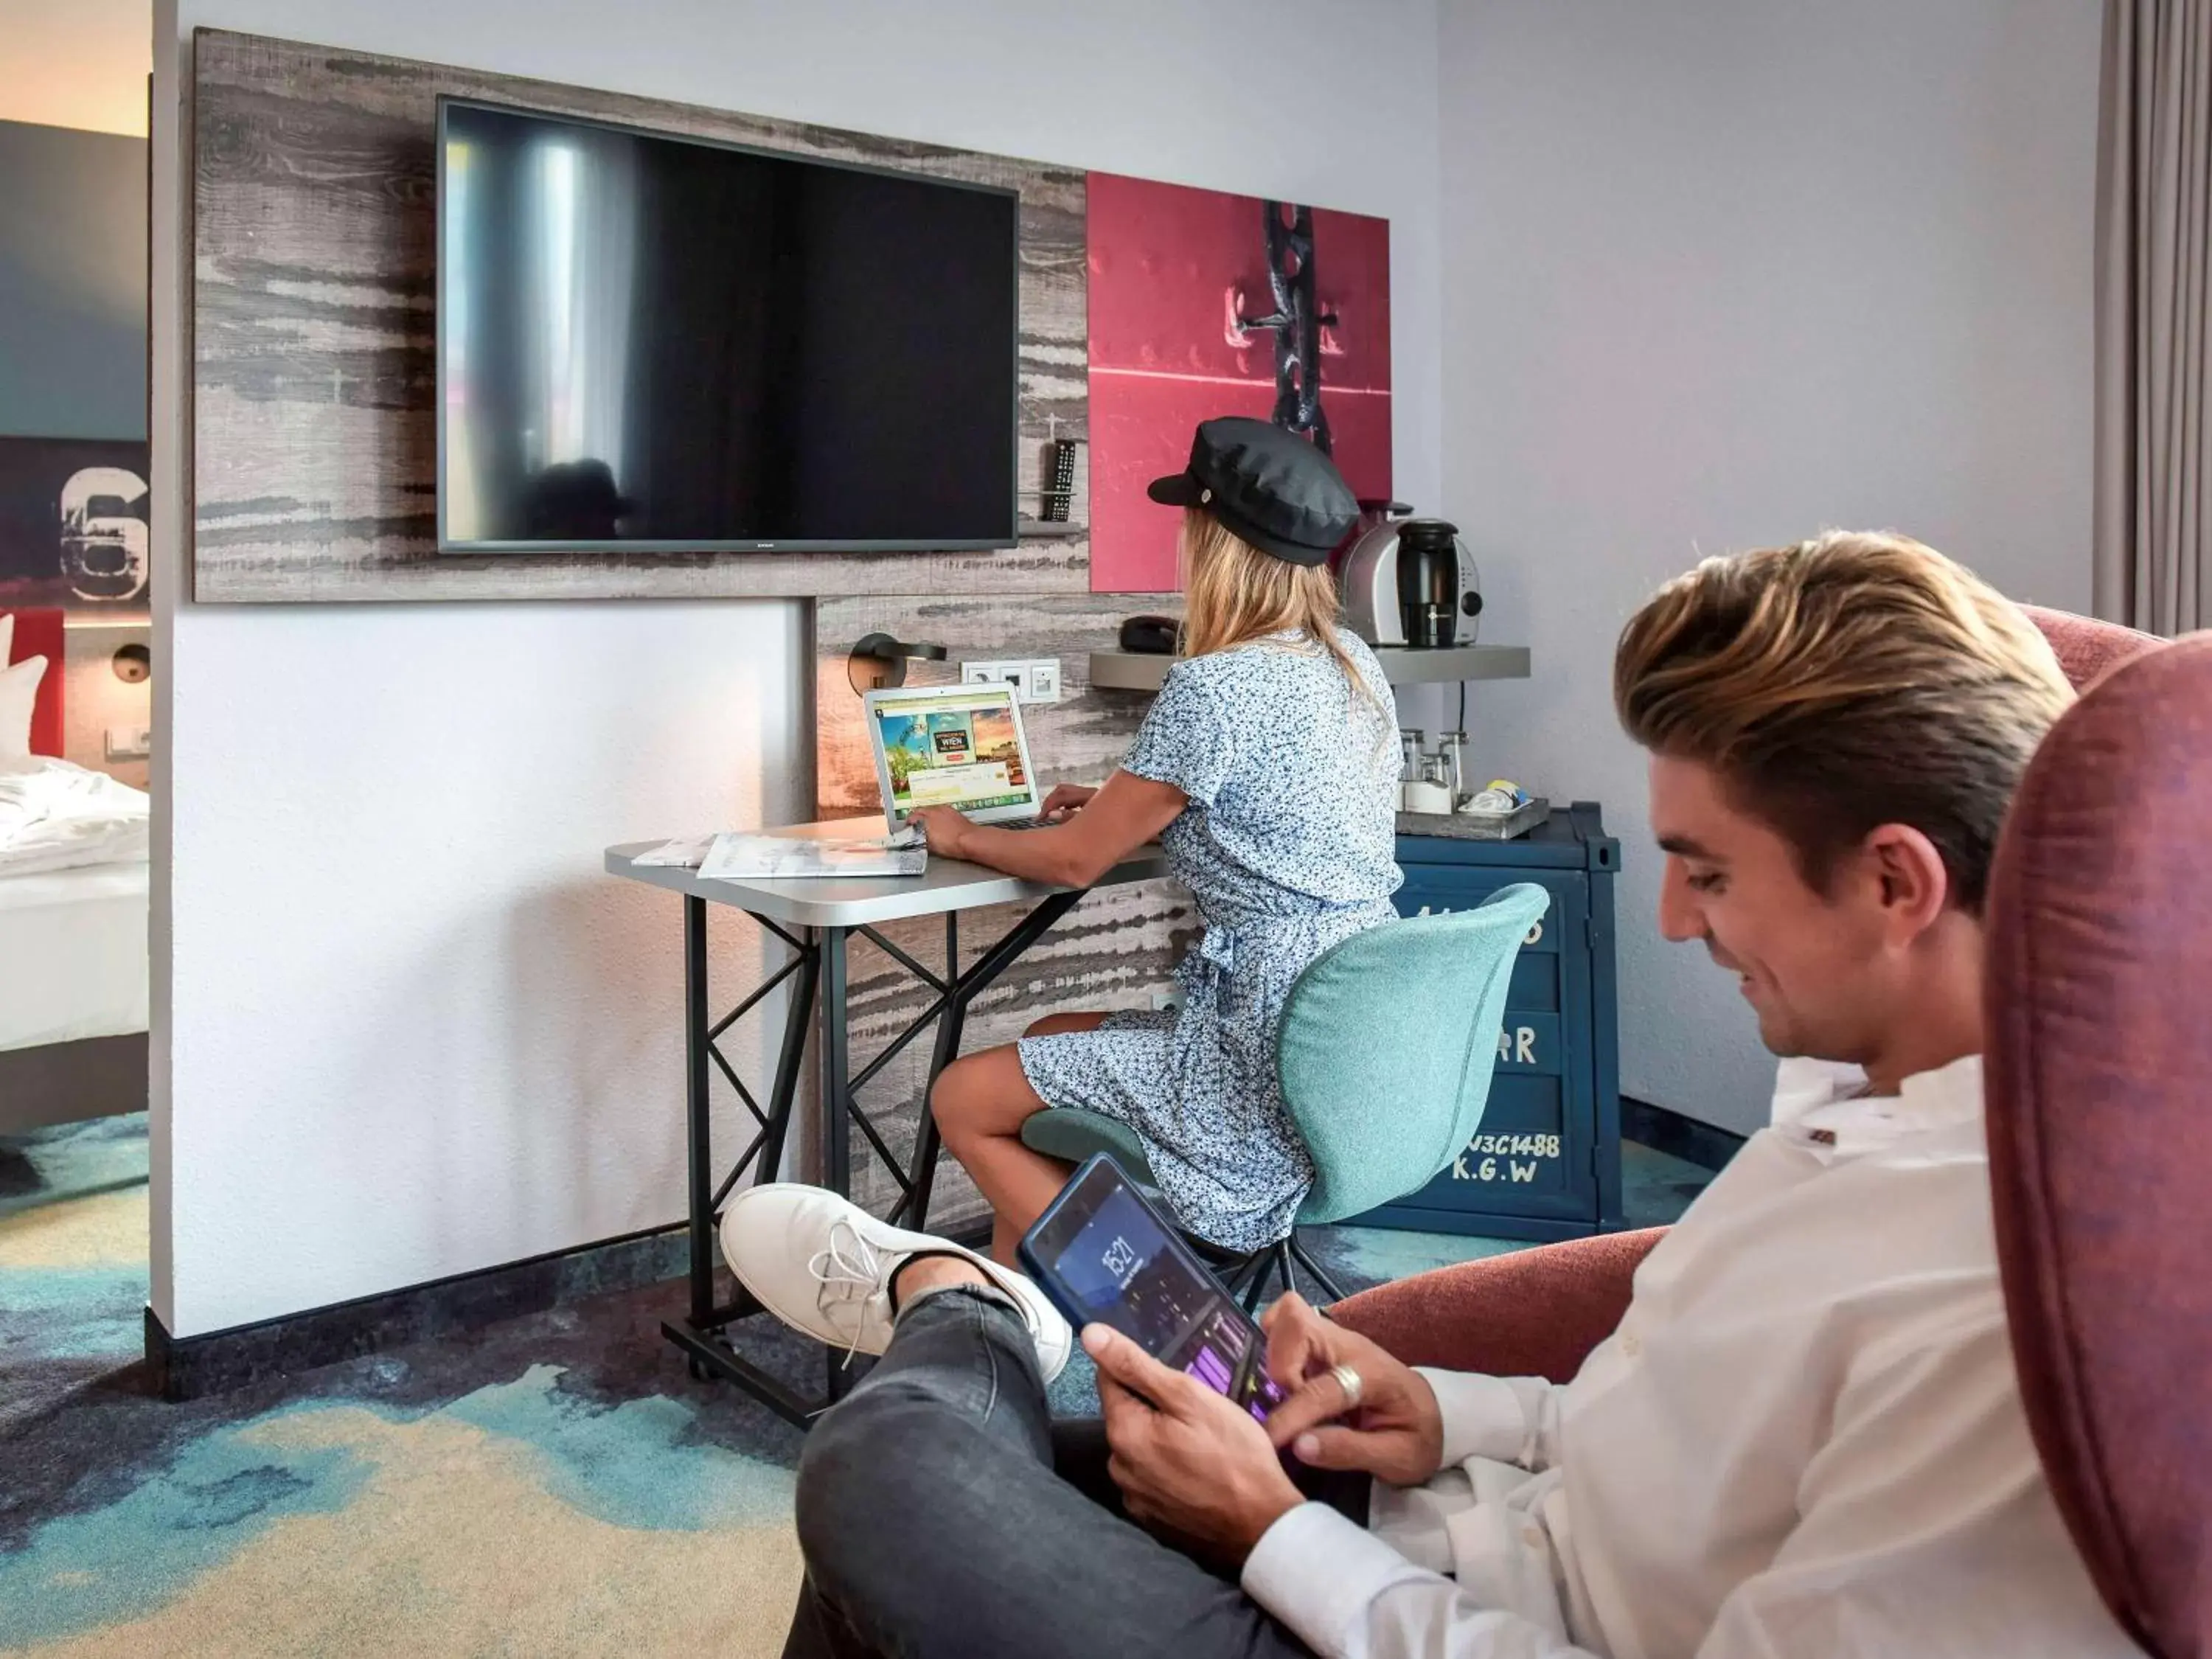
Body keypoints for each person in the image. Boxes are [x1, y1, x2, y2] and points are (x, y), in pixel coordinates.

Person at [721, 530, 2143, 1659]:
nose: (1670, 924)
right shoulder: (1848, 1112)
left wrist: (1277, 1535)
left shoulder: (2015, 1317)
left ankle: (964, 1304)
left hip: (1431, 1610)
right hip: (1466, 1527)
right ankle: (985, 1323)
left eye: (1707, 871)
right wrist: (1452, 1413)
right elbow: (1681, 1429)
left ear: (1899, 880)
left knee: (890, 1479)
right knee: (990, 1488)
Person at [902, 416, 1402, 1263]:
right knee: (1053, 1031)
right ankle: (1024, 1314)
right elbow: (1278, 802)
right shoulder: (1350, 659)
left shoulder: (1213, 686)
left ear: (1216, 542)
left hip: (1256, 1058)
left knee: (960, 1096)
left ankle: (1147, 1307)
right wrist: (1118, 801)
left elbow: (1072, 862)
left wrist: (957, 834)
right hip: (1342, 1040)